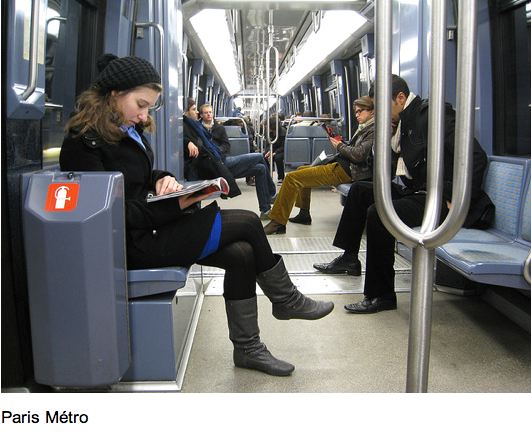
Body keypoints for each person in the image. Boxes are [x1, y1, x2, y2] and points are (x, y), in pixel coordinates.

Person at [59, 54, 334, 376]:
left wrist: (161, 177)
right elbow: (108, 213)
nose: (145, 114)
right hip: (129, 244)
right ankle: (285, 301)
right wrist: (174, 205)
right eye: (141, 104)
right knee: (246, 221)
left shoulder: (124, 130)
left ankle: (249, 349)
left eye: (149, 107)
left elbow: (134, 178)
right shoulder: (83, 144)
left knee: (242, 254)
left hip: (148, 229)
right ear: (114, 93)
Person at [313, 75, 489, 314]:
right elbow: (397, 165)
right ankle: (349, 258)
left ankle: (381, 294)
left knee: (380, 214)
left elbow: (475, 157)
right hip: (418, 192)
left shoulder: (434, 116)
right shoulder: (402, 123)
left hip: (442, 199)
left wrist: (454, 199)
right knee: (361, 191)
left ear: (400, 98)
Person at [264, 96, 376, 234]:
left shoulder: (373, 129)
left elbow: (359, 155)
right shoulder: (365, 127)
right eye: (356, 112)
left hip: (347, 170)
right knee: (301, 169)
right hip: (342, 165)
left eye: (361, 111)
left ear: (372, 112)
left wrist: (340, 146)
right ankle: (304, 213)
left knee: (292, 178)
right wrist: (341, 144)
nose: (357, 114)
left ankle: (277, 222)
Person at [199, 103, 276, 219]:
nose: (209, 114)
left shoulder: (219, 128)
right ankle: (272, 193)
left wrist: (217, 151)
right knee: (260, 156)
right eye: (206, 113)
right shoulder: (198, 130)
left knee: (260, 168)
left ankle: (265, 210)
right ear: (201, 115)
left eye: (210, 112)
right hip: (214, 165)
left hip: (223, 160)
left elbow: (226, 146)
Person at [264, 114, 286, 184]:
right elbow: (267, 144)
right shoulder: (267, 132)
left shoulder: (283, 132)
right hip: (272, 149)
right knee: (264, 156)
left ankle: (281, 177)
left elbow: (283, 146)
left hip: (281, 150)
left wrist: (274, 153)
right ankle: (267, 176)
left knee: (278, 158)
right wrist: (268, 151)